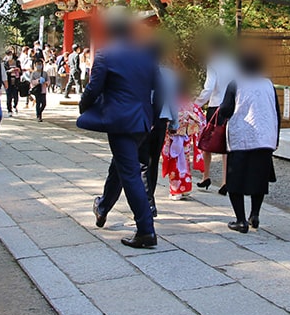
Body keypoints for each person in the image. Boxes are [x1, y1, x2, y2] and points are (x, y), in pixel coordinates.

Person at [79, 15, 162, 249]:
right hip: (142, 122)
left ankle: (146, 230)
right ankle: (103, 206)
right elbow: (161, 88)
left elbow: (94, 87)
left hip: (120, 122)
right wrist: (153, 118)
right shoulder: (145, 54)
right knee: (120, 165)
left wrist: (84, 107)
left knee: (130, 173)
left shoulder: (106, 54)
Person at [217, 51, 280, 233]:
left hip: (242, 138)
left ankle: (240, 220)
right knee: (259, 178)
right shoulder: (268, 84)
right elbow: (275, 110)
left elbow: (226, 110)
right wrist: (275, 138)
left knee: (235, 179)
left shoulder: (236, 84)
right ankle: (255, 214)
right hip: (265, 138)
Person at [139, 42, 180, 215]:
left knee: (142, 162)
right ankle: (151, 198)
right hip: (162, 120)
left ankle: (148, 201)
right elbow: (172, 101)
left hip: (144, 120)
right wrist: (174, 123)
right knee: (154, 160)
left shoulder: (140, 72)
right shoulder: (170, 75)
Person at [194, 33, 237, 194]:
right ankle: (225, 181)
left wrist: (196, 104)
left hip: (215, 106)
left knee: (208, 141)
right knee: (226, 144)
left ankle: (206, 176)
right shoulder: (234, 63)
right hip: (231, 106)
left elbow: (209, 87)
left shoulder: (213, 64)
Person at [161, 81, 205, 201]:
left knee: (174, 162)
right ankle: (185, 188)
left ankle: (176, 191)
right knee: (185, 162)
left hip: (173, 137)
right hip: (186, 137)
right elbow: (201, 121)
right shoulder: (190, 104)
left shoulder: (172, 102)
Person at [4, 50, 21, 115]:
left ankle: (15, 105)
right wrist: (9, 71)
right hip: (8, 82)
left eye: (10, 54)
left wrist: (18, 70)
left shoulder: (17, 62)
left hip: (16, 81)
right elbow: (4, 72)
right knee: (9, 96)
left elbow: (21, 71)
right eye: (8, 55)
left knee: (16, 96)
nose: (9, 56)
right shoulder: (5, 63)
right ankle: (9, 110)